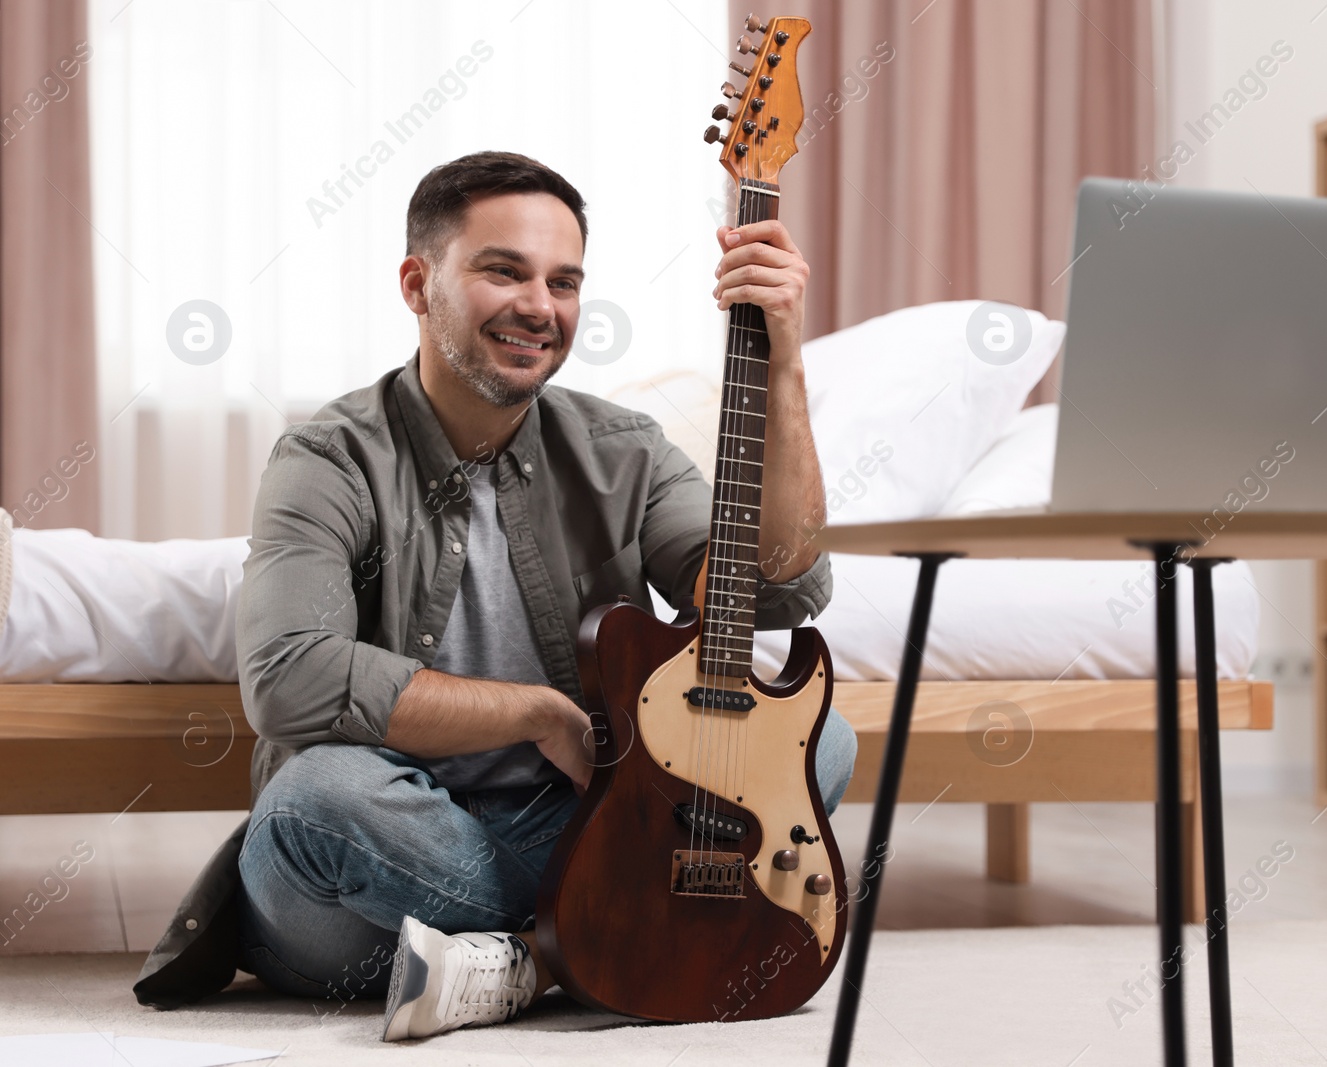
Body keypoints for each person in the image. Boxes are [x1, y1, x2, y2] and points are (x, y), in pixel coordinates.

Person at [131, 151, 856, 1041]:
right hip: (374, 869)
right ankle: (595, 934)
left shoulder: (624, 450)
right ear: (417, 282)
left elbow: (777, 588)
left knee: (816, 742)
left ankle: (522, 963)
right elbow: (290, 679)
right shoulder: (327, 459)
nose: (539, 307)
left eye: (563, 281)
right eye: (502, 270)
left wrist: (783, 366)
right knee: (314, 800)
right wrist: (538, 715)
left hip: (584, 819)